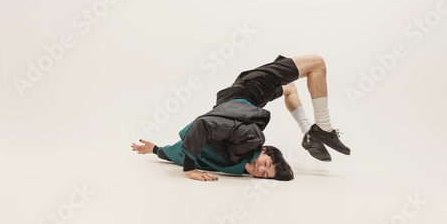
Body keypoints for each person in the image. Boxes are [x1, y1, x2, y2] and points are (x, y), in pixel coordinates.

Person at [132, 54, 350, 182]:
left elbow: (180, 150)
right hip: (249, 93)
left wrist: (156, 150)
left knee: (305, 75)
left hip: (243, 94)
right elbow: (201, 129)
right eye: (265, 164)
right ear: (263, 150)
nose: (260, 170)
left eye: (265, 175)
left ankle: (313, 132)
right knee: (308, 72)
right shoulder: (251, 140)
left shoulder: (228, 166)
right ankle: (321, 129)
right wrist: (188, 168)